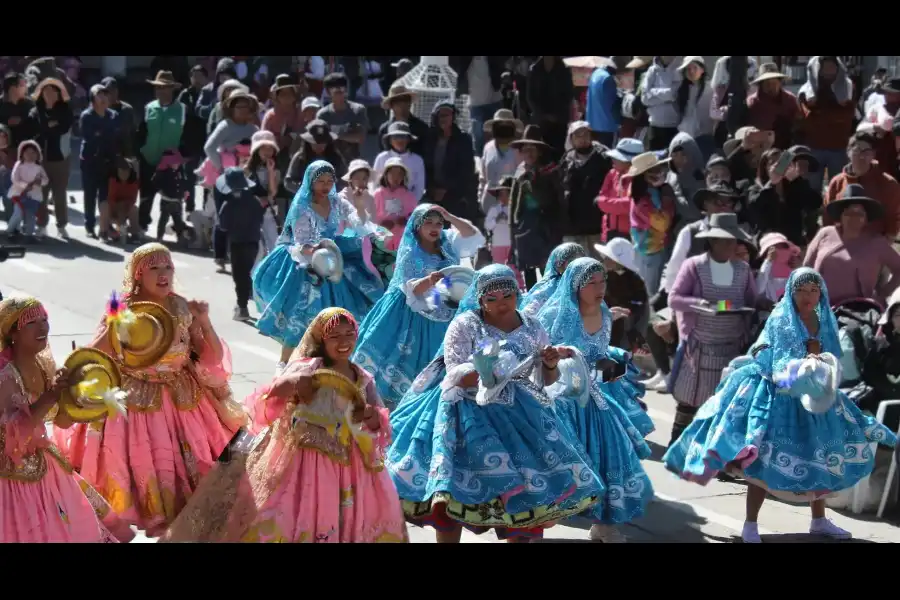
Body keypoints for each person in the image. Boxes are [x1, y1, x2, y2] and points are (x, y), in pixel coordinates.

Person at [664, 268, 897, 543]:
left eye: (813, 290)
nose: (807, 296)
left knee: (820, 457)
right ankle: (750, 525)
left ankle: (819, 520)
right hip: (779, 399)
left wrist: (820, 365)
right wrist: (805, 360)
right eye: (801, 290)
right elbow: (774, 363)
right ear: (791, 291)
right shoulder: (781, 318)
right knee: (764, 462)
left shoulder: (825, 319)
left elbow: (834, 356)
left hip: (816, 399)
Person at [386, 264, 605, 542]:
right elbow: (455, 373)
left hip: (521, 417)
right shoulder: (465, 324)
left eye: (508, 296)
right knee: (455, 499)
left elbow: (546, 381)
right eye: (492, 299)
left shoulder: (533, 326)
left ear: (518, 294)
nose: (501, 304)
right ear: (480, 300)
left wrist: (549, 364)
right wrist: (488, 373)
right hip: (466, 416)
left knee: (527, 497)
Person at [161, 307, 407, 543]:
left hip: (347, 463)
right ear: (321, 339)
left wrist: (369, 415)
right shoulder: (308, 368)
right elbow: (274, 393)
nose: (343, 341)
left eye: (349, 334)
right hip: (301, 460)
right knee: (295, 511)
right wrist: (296, 382)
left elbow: (381, 418)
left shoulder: (362, 377)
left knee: (344, 514)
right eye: (334, 336)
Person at [53, 243, 246, 536]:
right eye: (154, 268)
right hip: (133, 403)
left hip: (183, 400)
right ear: (138, 275)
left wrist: (204, 322)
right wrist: (115, 327)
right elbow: (97, 354)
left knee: (195, 481)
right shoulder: (122, 306)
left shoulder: (181, 306)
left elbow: (213, 356)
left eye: (168, 266)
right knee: (138, 474)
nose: (163, 273)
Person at [535, 257, 654, 543]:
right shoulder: (555, 314)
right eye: (592, 283)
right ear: (576, 285)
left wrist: (611, 362)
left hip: (593, 397)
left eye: (603, 281)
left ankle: (605, 524)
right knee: (555, 467)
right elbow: (538, 357)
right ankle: (534, 527)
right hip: (558, 399)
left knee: (609, 457)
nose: (600, 288)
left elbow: (597, 352)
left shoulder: (605, 312)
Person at [0, 296, 133, 543]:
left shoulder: (42, 365)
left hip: (44, 462)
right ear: (12, 333)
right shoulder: (6, 376)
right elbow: (13, 436)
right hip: (10, 476)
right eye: (32, 323)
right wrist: (50, 396)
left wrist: (85, 400)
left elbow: (61, 421)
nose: (43, 328)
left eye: (45, 320)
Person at [253, 160, 385, 374]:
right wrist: (315, 251)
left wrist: (362, 211)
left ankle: (335, 362)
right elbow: (300, 241)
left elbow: (358, 223)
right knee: (303, 314)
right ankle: (285, 361)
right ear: (310, 182)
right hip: (307, 263)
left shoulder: (337, 202)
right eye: (320, 181)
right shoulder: (302, 206)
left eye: (329, 181)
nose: (325, 185)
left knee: (342, 313)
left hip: (333, 260)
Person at [353, 204, 483, 408]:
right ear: (417, 226)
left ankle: (430, 402)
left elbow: (473, 235)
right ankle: (392, 403)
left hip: (444, 308)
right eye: (428, 223)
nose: (435, 227)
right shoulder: (410, 253)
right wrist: (431, 280)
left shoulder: (448, 242)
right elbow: (411, 290)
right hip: (410, 312)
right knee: (403, 355)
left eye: (439, 224)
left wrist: (449, 215)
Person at [666, 212, 760, 445]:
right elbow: (674, 299)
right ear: (712, 241)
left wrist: (768, 303)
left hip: (731, 345)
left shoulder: (742, 269)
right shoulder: (694, 266)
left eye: (733, 241)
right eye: (724, 240)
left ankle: (714, 453)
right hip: (699, 345)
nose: (730, 245)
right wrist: (699, 304)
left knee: (724, 399)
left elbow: (752, 300)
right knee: (689, 397)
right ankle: (678, 445)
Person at [804, 184, 900, 306]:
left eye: (859, 213)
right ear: (841, 216)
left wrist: (882, 294)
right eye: (849, 212)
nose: (853, 217)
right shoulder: (825, 233)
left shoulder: (877, 242)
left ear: (866, 218)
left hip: (857, 314)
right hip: (818, 307)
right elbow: (806, 266)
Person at [510, 125, 565, 288]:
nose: (529, 153)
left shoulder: (550, 172)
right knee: (529, 277)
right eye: (525, 149)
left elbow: (555, 203)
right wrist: (513, 237)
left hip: (545, 231)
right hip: (524, 232)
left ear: (540, 151)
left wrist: (534, 182)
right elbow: (513, 209)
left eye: (532, 149)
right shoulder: (519, 173)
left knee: (549, 274)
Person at [822, 131, 900, 240]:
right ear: (848, 153)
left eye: (867, 152)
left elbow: (893, 218)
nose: (862, 156)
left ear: (873, 155)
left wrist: (885, 244)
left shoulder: (888, 183)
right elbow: (828, 214)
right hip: (841, 242)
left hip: (874, 244)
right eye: (857, 150)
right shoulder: (837, 182)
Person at [215, 168, 268, 322]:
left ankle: (242, 307)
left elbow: (223, 226)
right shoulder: (255, 201)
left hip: (236, 243)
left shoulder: (228, 204)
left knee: (240, 276)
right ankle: (257, 306)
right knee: (249, 274)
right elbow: (260, 220)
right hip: (253, 242)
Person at [137, 71, 186, 232]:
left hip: (170, 163)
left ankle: (178, 229)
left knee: (172, 198)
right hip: (149, 158)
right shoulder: (149, 108)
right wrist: (140, 151)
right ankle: (142, 226)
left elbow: (188, 135)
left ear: (172, 89)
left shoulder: (182, 110)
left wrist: (182, 157)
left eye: (164, 88)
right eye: (157, 88)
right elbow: (142, 132)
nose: (160, 91)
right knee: (146, 196)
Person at [798, 57, 856, 192]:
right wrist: (833, 114)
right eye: (825, 67)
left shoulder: (848, 88)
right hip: (814, 147)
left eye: (832, 67)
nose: (829, 71)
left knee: (839, 187)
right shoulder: (806, 91)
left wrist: (821, 113)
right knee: (812, 188)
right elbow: (808, 118)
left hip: (839, 147)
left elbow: (847, 116)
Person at [746, 147, 822, 246]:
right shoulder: (756, 188)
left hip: (793, 241)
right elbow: (754, 208)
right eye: (772, 163)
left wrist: (797, 180)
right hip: (768, 241)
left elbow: (815, 203)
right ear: (764, 168)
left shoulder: (795, 186)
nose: (777, 166)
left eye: (781, 163)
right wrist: (771, 184)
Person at [28, 77, 73, 240]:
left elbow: (64, 128)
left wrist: (48, 128)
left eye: (53, 91)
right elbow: (35, 131)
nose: (50, 94)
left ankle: (61, 225)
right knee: (41, 193)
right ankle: (41, 225)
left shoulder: (65, 110)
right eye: (46, 91)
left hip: (60, 157)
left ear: (59, 93)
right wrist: (50, 126)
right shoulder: (35, 111)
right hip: (40, 158)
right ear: (41, 93)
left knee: (59, 193)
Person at [628, 152, 676, 296]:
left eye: (660, 168)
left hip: (656, 249)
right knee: (650, 294)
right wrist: (668, 201)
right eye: (654, 170)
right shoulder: (642, 200)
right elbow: (662, 223)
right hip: (649, 252)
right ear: (643, 175)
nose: (660, 173)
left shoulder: (653, 192)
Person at [560, 120, 610, 254]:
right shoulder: (566, 160)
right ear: (571, 139)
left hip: (596, 224)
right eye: (577, 135)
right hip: (573, 225)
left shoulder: (603, 157)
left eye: (585, 134)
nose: (582, 139)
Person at [595, 237, 649, 352]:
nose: (604, 260)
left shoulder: (634, 280)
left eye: (609, 258)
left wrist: (625, 309)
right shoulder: (601, 276)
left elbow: (640, 303)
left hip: (625, 326)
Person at [79, 84, 119, 238]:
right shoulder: (86, 116)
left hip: (107, 160)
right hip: (89, 160)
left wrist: (101, 133)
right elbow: (90, 136)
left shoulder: (113, 115)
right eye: (99, 95)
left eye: (105, 95)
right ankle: (89, 225)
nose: (103, 98)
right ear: (92, 99)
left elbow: (114, 136)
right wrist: (103, 134)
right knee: (90, 194)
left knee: (105, 195)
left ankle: (105, 225)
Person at [451, 56, 506, 156]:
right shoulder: (463, 60)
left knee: (499, 137)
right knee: (478, 138)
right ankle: (479, 164)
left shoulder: (492, 59)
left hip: (494, 101)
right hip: (475, 105)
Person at [520, 242, 586, 317]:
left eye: (581, 261)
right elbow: (528, 316)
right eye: (571, 261)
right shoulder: (546, 290)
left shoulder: (590, 283)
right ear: (558, 265)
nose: (577, 266)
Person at [526, 56, 574, 157]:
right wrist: (544, 115)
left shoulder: (564, 69)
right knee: (541, 152)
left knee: (559, 151)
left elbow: (568, 95)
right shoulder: (534, 69)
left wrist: (556, 115)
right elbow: (531, 97)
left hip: (559, 119)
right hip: (541, 120)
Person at [478, 108, 523, 216]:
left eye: (506, 126)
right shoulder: (488, 148)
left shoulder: (520, 149)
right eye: (499, 126)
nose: (503, 129)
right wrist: (480, 197)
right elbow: (482, 177)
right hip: (490, 203)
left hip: (513, 203)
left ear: (513, 128)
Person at [746, 63, 800, 151]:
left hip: (787, 148)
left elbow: (799, 124)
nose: (771, 87)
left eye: (774, 83)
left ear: (780, 82)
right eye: (767, 84)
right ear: (761, 85)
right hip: (760, 150)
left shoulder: (790, 100)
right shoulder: (752, 103)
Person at [596, 138, 642, 242]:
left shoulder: (640, 178)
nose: (613, 160)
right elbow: (600, 200)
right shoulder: (612, 174)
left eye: (617, 158)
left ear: (630, 161)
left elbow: (631, 205)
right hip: (610, 232)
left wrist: (608, 204)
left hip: (632, 236)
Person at [284, 119, 346, 195]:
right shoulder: (300, 157)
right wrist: (307, 188)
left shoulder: (336, 157)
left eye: (323, 143)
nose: (319, 146)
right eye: (315, 143)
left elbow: (345, 180)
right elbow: (288, 182)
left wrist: (330, 187)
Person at [179, 65, 210, 214]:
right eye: (194, 76)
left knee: (207, 175)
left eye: (200, 76)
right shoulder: (185, 94)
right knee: (188, 177)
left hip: (206, 139)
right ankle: (189, 205)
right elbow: (181, 114)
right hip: (190, 139)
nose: (197, 79)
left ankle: (206, 207)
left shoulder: (210, 94)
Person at [316, 73, 368, 161]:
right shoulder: (323, 115)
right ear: (328, 92)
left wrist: (336, 136)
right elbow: (320, 142)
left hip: (353, 160)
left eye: (343, 90)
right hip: (329, 159)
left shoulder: (358, 110)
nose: (340, 94)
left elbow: (360, 138)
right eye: (336, 91)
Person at [372, 157, 418, 252]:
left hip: (403, 240)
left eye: (399, 174)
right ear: (385, 175)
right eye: (392, 173)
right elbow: (369, 218)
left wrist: (406, 221)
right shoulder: (377, 194)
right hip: (381, 239)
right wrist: (380, 225)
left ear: (404, 177)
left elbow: (416, 217)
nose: (395, 177)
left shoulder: (409, 196)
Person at [6, 140, 48, 242]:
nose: (30, 155)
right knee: (18, 214)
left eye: (33, 153)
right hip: (19, 195)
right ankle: (10, 231)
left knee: (31, 215)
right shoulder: (19, 165)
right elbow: (14, 179)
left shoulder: (39, 167)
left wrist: (40, 182)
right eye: (27, 153)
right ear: (22, 154)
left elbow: (46, 180)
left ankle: (29, 234)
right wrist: (25, 186)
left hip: (33, 196)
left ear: (38, 154)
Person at [373, 122, 426, 201]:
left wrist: (410, 203)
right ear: (390, 140)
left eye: (403, 137)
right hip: (383, 202)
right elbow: (374, 183)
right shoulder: (382, 158)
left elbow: (420, 187)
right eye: (395, 137)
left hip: (408, 203)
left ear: (408, 140)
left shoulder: (417, 160)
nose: (400, 140)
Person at [675, 57, 715, 159]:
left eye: (695, 67)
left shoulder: (711, 88)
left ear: (702, 69)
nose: (692, 71)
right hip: (687, 137)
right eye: (688, 69)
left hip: (706, 136)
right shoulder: (682, 90)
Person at [666, 132, 706, 237]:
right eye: (675, 155)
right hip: (672, 233)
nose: (679, 160)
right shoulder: (670, 175)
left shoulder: (700, 178)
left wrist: (674, 196)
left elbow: (695, 211)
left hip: (695, 233)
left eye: (684, 154)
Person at [642, 56, 682, 151]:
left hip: (674, 126)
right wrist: (667, 97)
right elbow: (644, 99)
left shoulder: (680, 69)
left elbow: (674, 94)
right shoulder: (652, 71)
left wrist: (652, 92)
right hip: (655, 125)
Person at [377, 84, 428, 156]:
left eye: (406, 99)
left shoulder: (422, 128)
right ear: (391, 105)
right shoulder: (384, 129)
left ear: (410, 103)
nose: (403, 104)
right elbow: (382, 155)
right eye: (398, 100)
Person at [151, 150, 190, 243]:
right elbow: (155, 183)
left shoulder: (179, 173)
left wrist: (184, 192)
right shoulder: (163, 173)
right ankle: (159, 237)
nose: (177, 164)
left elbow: (183, 183)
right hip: (166, 201)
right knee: (163, 220)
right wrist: (161, 192)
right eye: (175, 162)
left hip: (177, 201)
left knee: (178, 220)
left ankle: (180, 237)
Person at [756, 232, 801, 304]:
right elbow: (759, 288)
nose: (780, 250)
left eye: (783, 246)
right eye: (775, 247)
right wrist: (768, 261)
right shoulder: (765, 270)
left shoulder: (793, 269)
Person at [106, 156, 141, 244]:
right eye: (121, 171)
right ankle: (122, 233)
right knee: (120, 210)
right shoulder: (113, 181)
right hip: (113, 208)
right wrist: (119, 206)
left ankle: (134, 234)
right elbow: (110, 199)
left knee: (134, 209)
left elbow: (133, 198)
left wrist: (125, 204)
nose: (123, 174)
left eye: (126, 172)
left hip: (126, 206)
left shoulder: (133, 182)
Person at [585, 62, 620, 147]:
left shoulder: (595, 74)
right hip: (607, 125)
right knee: (607, 154)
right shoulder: (607, 78)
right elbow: (613, 102)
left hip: (592, 123)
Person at [101, 77, 136, 158]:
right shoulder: (98, 109)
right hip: (103, 157)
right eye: (108, 91)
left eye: (114, 90)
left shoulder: (127, 109)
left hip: (124, 155)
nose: (111, 94)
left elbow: (133, 133)